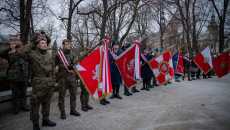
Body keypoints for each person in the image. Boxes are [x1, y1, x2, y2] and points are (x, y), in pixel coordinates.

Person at [19, 31, 56, 130]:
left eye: (45, 43)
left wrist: (53, 81)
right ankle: (35, 123)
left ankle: (45, 120)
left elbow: (53, 70)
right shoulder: (32, 54)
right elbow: (21, 52)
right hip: (39, 84)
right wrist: (34, 42)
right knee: (35, 104)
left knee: (47, 103)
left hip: (49, 83)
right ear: (37, 45)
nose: (45, 44)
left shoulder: (49, 55)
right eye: (42, 43)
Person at [0, 42, 30, 114]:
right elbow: (1, 53)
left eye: (22, 47)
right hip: (14, 78)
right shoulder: (12, 56)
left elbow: (29, 68)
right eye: (19, 47)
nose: (21, 48)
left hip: (24, 78)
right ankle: (16, 107)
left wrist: (29, 77)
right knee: (15, 93)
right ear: (16, 48)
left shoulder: (26, 56)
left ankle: (23, 105)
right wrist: (10, 47)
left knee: (23, 93)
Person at [55, 39, 80, 119]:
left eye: (70, 44)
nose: (69, 45)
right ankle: (62, 111)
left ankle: (73, 109)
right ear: (63, 45)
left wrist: (73, 66)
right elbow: (53, 66)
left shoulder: (73, 54)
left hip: (71, 77)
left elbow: (76, 64)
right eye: (67, 44)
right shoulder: (58, 54)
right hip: (62, 78)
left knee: (73, 94)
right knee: (61, 95)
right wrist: (56, 74)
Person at [79, 47, 93, 111]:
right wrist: (85, 52)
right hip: (83, 75)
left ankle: (87, 103)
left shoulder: (90, 56)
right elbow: (81, 59)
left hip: (89, 75)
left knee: (87, 90)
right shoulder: (82, 55)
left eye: (90, 51)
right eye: (88, 51)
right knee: (83, 91)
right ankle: (83, 105)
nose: (89, 52)